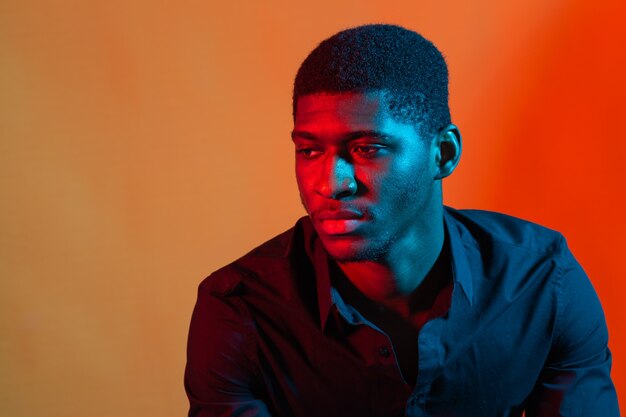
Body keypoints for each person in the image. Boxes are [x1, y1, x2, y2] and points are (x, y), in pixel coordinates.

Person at [184, 24, 619, 416]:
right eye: (310, 151)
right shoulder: (239, 310)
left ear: (443, 154)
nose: (330, 184)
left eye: (367, 149)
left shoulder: (542, 284)